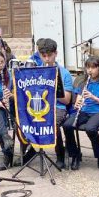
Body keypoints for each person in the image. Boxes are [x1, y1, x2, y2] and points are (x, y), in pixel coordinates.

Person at [63, 56, 99, 170]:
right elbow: (77, 101)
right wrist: (77, 104)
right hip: (84, 111)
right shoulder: (83, 84)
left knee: (90, 128)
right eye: (88, 67)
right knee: (67, 125)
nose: (90, 70)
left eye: (93, 67)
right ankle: (75, 154)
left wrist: (94, 97)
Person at [33, 38, 73, 169]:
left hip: (58, 107)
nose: (46, 59)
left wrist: (52, 90)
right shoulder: (36, 71)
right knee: (24, 119)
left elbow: (67, 100)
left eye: (49, 55)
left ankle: (60, 154)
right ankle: (30, 152)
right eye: (43, 56)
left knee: (52, 123)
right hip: (40, 106)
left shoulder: (64, 73)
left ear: (56, 53)